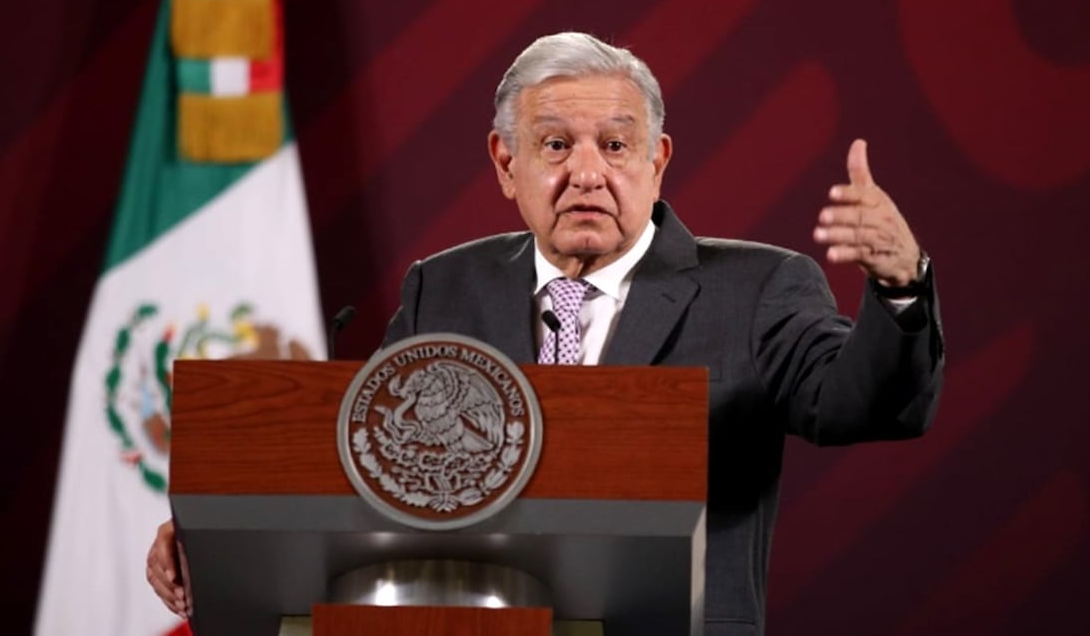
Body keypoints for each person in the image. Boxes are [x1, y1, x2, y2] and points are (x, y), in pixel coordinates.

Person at [147, 32, 943, 634]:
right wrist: (215, 523)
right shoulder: (445, 288)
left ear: (658, 160)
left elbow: (860, 405)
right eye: (555, 145)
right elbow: (364, 467)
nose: (587, 173)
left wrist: (898, 288)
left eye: (617, 144)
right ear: (505, 163)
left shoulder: (756, 287)